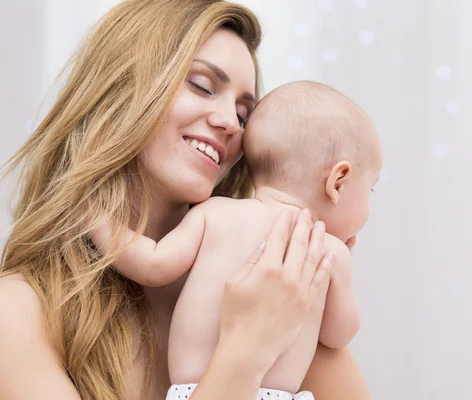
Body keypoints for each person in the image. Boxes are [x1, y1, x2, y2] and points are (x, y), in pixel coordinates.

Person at [0, 1, 372, 400]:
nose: (230, 122)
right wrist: (244, 352)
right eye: (202, 85)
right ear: (119, 87)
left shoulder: (281, 286)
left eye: (244, 114)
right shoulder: (18, 313)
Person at [90, 80, 382, 399]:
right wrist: (336, 279)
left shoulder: (213, 213)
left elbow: (152, 263)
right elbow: (338, 336)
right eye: (369, 190)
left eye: (241, 115)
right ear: (337, 182)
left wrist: (93, 218)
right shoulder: (328, 251)